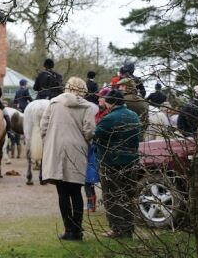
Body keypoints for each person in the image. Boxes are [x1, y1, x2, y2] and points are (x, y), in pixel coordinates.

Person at [40, 77, 98, 241]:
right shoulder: (86, 107)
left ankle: (68, 229)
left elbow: (43, 127)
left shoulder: (53, 103)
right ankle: (77, 230)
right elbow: (89, 131)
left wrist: (50, 141)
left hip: (56, 148)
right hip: (77, 150)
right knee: (76, 192)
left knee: (62, 193)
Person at [94, 89, 142, 239]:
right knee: (128, 195)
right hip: (132, 161)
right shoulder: (134, 116)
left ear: (111, 102)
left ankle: (117, 229)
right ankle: (128, 228)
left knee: (112, 196)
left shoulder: (109, 118)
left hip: (111, 162)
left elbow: (97, 135)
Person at [85, 87, 111, 212]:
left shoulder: (109, 114)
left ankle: (109, 205)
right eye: (99, 97)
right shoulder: (96, 112)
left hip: (103, 149)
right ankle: (91, 203)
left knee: (105, 180)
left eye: (101, 97)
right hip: (92, 148)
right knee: (87, 178)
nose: (99, 99)